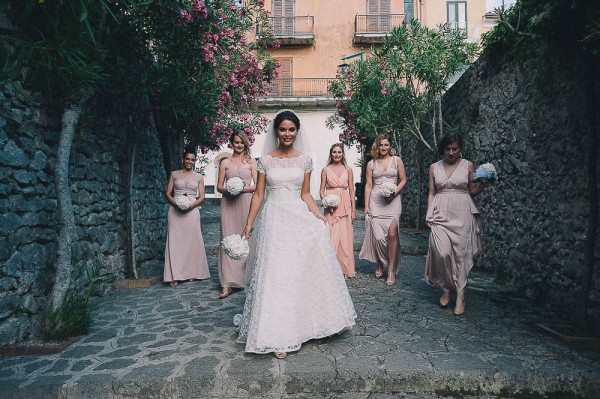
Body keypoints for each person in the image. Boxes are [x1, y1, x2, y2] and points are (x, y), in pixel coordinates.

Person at [236, 109, 356, 359]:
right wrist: (249, 223)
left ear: (296, 131)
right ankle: (277, 334)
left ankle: (307, 324)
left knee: (296, 271)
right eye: (283, 129)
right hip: (274, 219)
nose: (287, 134)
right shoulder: (265, 161)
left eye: (291, 129)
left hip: (297, 216)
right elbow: (259, 194)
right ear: (276, 132)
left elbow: (305, 194)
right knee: (276, 273)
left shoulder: (305, 161)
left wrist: (317, 214)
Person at [425, 134, 488, 316]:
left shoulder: (467, 165)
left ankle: (460, 296)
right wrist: (430, 212)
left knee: (461, 254)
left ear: (460, 148)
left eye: (455, 149)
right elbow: (431, 192)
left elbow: (471, 191)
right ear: (442, 149)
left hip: (462, 213)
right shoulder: (434, 167)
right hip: (440, 212)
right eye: (447, 149)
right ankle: (446, 286)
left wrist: (482, 186)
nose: (451, 152)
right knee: (443, 251)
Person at [359, 134, 407, 286]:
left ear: (390, 146)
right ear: (377, 147)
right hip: (376, 201)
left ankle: (391, 269)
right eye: (381, 145)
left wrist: (394, 193)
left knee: (392, 234)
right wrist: (366, 205)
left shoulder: (396, 160)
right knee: (379, 237)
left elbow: (403, 179)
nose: (384, 148)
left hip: (393, 202)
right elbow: (368, 185)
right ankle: (380, 261)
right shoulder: (371, 164)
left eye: (386, 145)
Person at [216, 132, 257, 299]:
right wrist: (230, 189)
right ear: (231, 143)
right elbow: (219, 186)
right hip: (228, 203)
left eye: (241, 142)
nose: (239, 145)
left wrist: (241, 188)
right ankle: (226, 284)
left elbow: (256, 186)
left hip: (246, 203)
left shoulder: (251, 163)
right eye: (236, 142)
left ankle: (243, 279)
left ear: (245, 144)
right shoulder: (225, 163)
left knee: (245, 239)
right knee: (226, 239)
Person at [163, 146, 210, 287]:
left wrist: (191, 206)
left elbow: (202, 196)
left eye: (192, 160)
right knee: (175, 242)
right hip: (175, 211)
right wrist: (176, 203)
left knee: (191, 242)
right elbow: (167, 193)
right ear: (182, 159)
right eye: (187, 159)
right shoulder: (174, 174)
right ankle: (174, 275)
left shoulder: (199, 177)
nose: (190, 162)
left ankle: (191, 273)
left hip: (192, 211)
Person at [319, 143, 357, 279]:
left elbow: (352, 190)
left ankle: (345, 269)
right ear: (331, 153)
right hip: (331, 207)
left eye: (339, 152)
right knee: (330, 235)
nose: (336, 154)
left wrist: (353, 210)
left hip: (345, 205)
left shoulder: (348, 170)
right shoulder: (325, 170)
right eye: (334, 152)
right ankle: (330, 268)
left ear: (343, 154)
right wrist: (327, 201)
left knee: (345, 237)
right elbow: (321, 190)